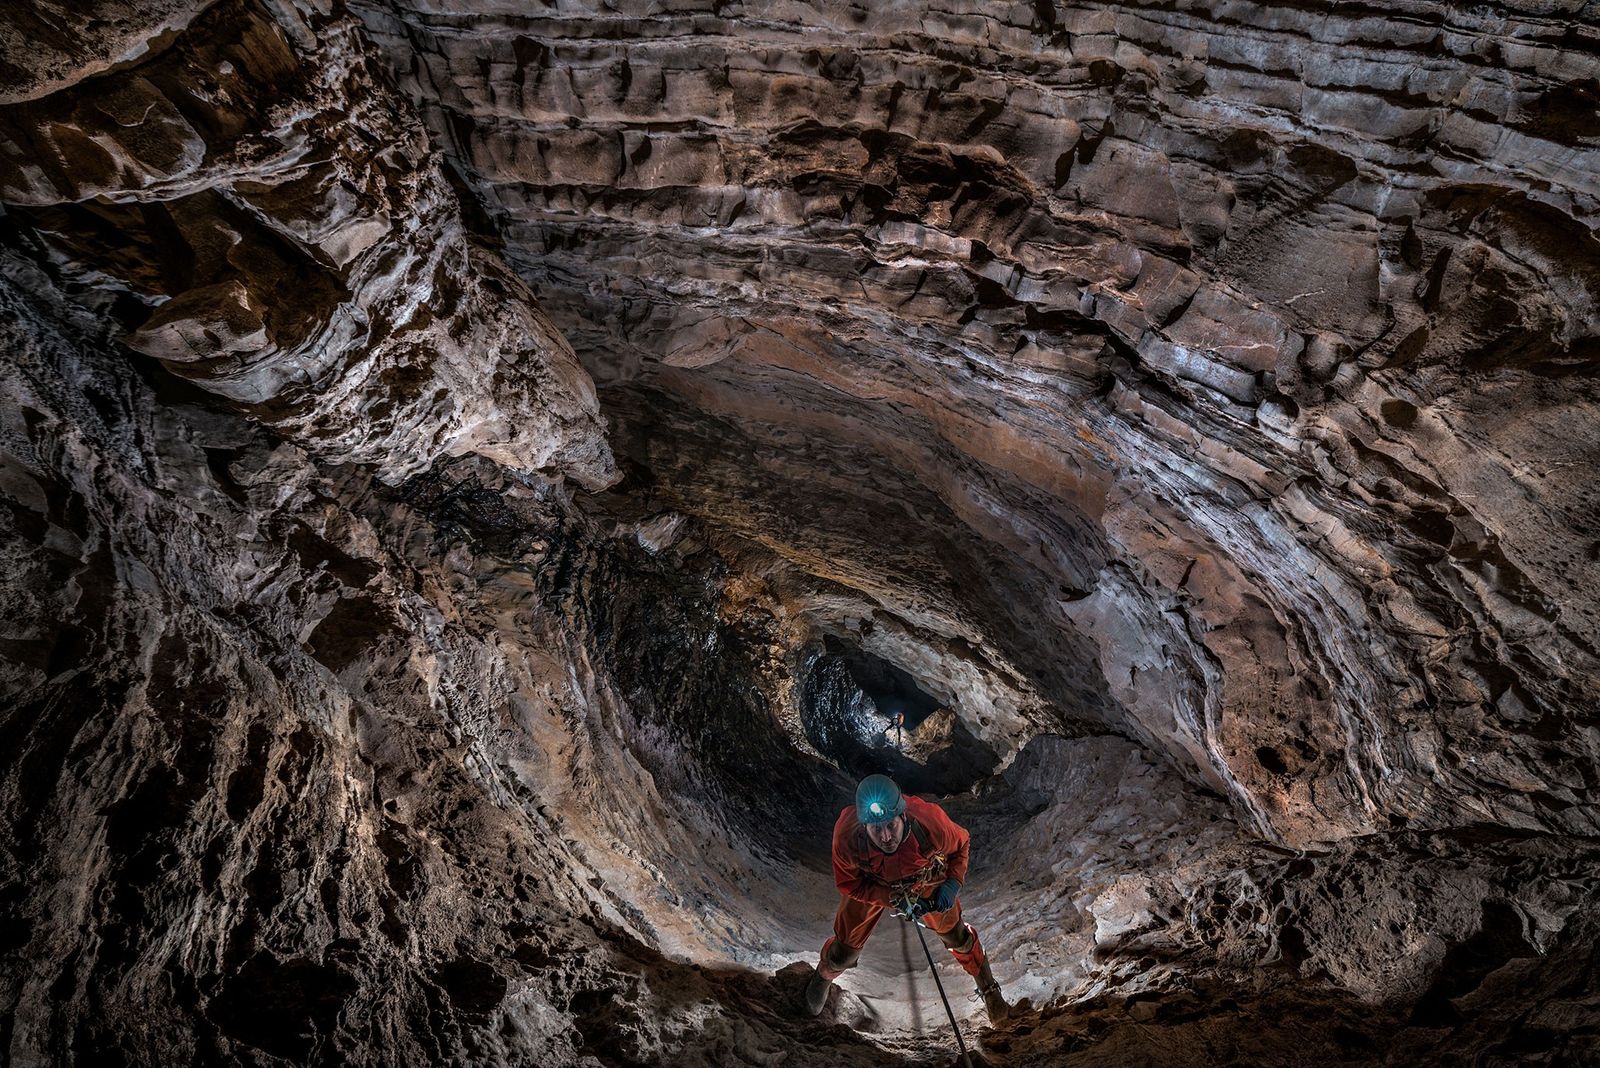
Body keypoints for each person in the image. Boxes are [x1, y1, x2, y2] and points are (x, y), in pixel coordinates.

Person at [804, 774, 1008, 1024]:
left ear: (903, 816)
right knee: (843, 953)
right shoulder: (847, 837)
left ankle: (988, 988)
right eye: (876, 829)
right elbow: (851, 884)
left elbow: (961, 844)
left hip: (922, 877)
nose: (885, 837)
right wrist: (891, 898)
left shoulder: (929, 822)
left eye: (891, 826)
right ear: (864, 826)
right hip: (873, 883)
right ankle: (824, 973)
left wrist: (952, 883)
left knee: (957, 937)